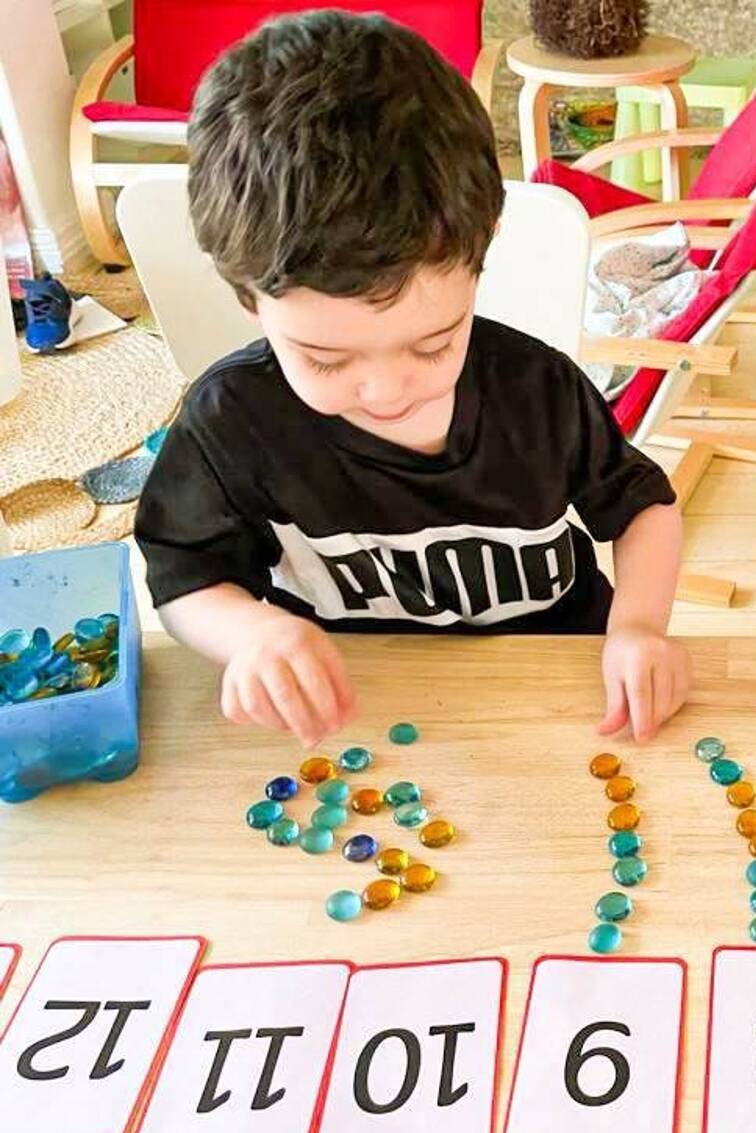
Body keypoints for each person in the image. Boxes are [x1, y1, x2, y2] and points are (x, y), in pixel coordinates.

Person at [136, 11, 689, 747]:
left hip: (560, 691)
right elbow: (184, 578)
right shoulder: (230, 421)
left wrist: (641, 627)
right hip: (355, 705)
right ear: (247, 297)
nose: (387, 391)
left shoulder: (539, 390)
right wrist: (250, 635)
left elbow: (643, 508)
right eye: (326, 359)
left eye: (433, 345)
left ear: (479, 259)